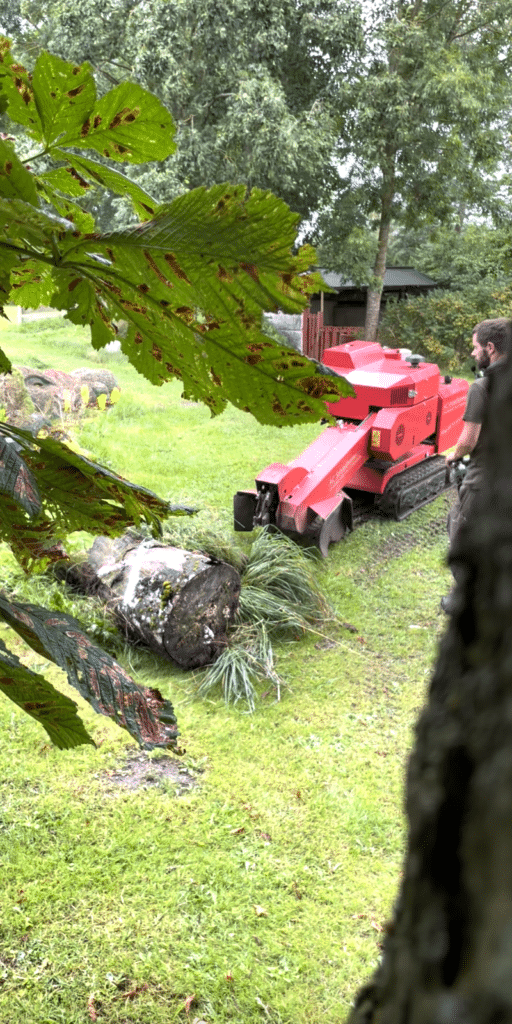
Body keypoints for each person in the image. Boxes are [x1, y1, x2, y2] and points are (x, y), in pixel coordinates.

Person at [441, 317, 512, 613]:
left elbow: (468, 439)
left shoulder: (482, 388)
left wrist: (453, 455)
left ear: (490, 348)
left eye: (475, 347)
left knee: (460, 534)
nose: (473, 354)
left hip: (484, 480)